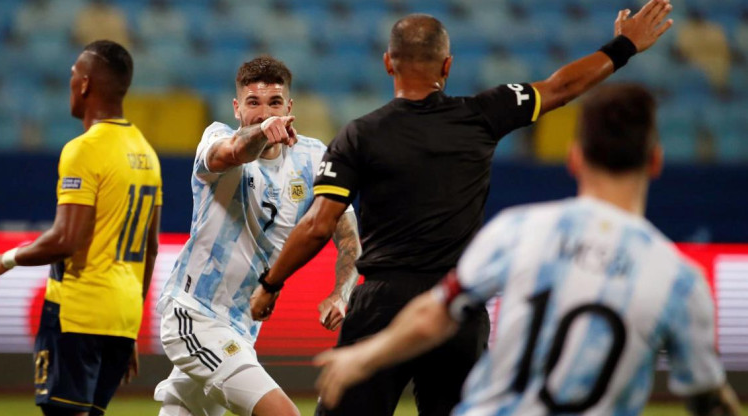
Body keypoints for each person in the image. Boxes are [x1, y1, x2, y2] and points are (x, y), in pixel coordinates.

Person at [251, 1, 674, 415]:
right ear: (447, 66)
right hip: (457, 306)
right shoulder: (483, 114)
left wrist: (271, 284)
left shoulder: (358, 135)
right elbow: (562, 87)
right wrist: (624, 47)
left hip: (383, 303)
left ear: (387, 63)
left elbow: (318, 225)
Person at [314, 84, 744, 416]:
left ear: (574, 159)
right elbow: (707, 397)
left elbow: (436, 312)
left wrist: (364, 355)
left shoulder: (519, 231)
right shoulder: (679, 280)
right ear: (655, 161)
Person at [153, 56, 361, 416]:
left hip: (241, 330)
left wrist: (340, 293)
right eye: (253, 103)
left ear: (290, 107)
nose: (265, 113)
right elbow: (232, 152)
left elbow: (349, 241)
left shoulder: (314, 158)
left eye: (274, 103)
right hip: (195, 315)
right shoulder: (217, 139)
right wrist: (264, 132)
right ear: (237, 108)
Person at [0, 40, 162, 416]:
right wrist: (127, 329)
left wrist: (7, 258)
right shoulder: (146, 152)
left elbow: (66, 240)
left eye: (73, 77)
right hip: (122, 317)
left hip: (78, 313)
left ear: (84, 85)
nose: (70, 84)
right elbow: (151, 247)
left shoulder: (84, 149)